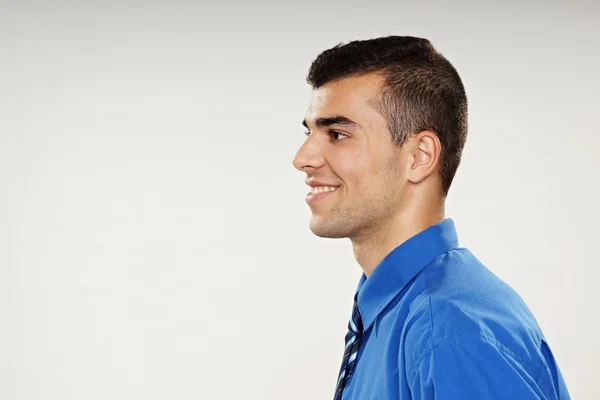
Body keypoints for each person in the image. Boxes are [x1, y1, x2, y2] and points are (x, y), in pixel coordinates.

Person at [292, 36, 570, 400]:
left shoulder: (449, 332)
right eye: (309, 132)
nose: (303, 157)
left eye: (338, 134)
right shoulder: (398, 309)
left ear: (420, 156)